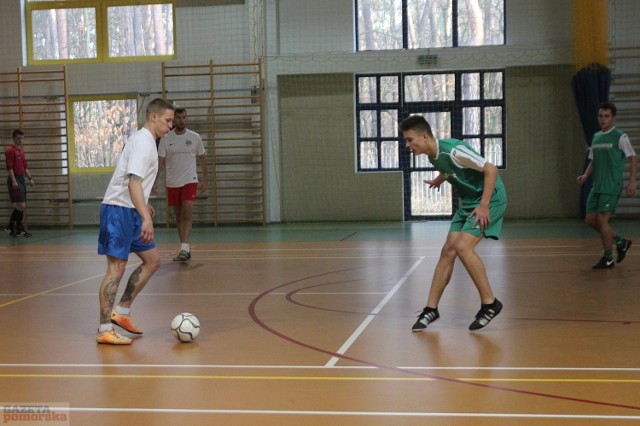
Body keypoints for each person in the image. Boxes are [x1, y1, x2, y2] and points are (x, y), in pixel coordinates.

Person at [398, 115, 507, 332]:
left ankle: (490, 303)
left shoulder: (453, 149)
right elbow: (452, 169)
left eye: (410, 140)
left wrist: (484, 205)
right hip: (469, 201)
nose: (407, 145)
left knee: (463, 248)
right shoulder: (433, 156)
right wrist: (441, 178)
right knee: (448, 250)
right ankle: (431, 309)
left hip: (489, 199)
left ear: (425, 136)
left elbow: (490, 169)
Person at [96, 98, 174, 345]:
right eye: (167, 120)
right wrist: (145, 218)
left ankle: (123, 311)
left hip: (130, 209)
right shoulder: (143, 142)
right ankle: (104, 329)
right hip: (119, 211)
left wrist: (143, 205)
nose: (170, 126)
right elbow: (133, 182)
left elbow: (136, 184)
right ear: (153, 116)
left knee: (153, 261)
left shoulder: (150, 142)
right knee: (116, 269)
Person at [577, 101, 637, 269]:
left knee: (603, 221)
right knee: (590, 220)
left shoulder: (620, 136)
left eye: (606, 116)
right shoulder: (596, 137)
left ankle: (608, 257)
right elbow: (593, 160)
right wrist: (585, 175)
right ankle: (620, 241)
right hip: (597, 186)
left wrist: (632, 181)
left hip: (611, 185)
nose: (603, 119)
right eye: (600, 116)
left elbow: (633, 157)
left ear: (613, 118)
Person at [154, 107, 208, 262]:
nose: (181, 120)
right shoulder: (166, 138)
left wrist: (205, 179)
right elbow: (161, 162)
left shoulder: (195, 137)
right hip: (172, 182)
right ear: (173, 120)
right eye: (178, 118)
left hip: (190, 180)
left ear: (187, 118)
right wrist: (155, 180)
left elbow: (203, 158)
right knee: (178, 216)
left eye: (184, 117)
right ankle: (185, 248)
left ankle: (184, 248)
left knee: (187, 214)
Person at [4, 129, 34, 237]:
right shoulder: (10, 151)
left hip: (21, 179)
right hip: (15, 178)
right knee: (21, 204)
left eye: (22, 138)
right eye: (18, 138)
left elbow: (25, 167)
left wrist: (30, 178)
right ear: (13, 138)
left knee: (22, 205)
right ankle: (11, 226)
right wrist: (13, 181)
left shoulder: (21, 151)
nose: (20, 140)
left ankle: (16, 228)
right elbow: (10, 168)